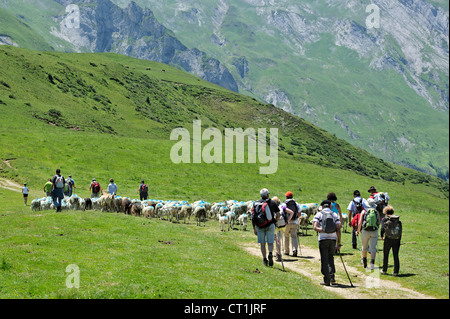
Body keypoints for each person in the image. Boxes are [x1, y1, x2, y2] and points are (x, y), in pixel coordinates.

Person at [313, 200, 341, 286]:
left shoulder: (319, 214)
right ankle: (332, 276)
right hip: (333, 239)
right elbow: (338, 228)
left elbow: (315, 227)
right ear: (330, 206)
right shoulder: (334, 214)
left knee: (324, 259)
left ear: (322, 206)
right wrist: (339, 242)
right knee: (330, 257)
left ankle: (326, 279)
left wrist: (323, 230)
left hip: (323, 239)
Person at [252, 188, 280, 267]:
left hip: (260, 226)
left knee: (262, 243)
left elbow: (253, 216)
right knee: (270, 242)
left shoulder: (256, 203)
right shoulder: (272, 202)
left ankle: (264, 258)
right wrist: (275, 222)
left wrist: (254, 228)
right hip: (270, 224)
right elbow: (278, 215)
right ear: (267, 195)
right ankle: (270, 253)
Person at [356, 198, 381, 270]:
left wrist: (358, 230)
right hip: (374, 231)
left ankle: (364, 262)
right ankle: (372, 264)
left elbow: (360, 222)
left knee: (364, 247)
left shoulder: (364, 211)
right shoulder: (376, 212)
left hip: (365, 231)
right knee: (373, 248)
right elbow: (379, 222)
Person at [380, 205, 402, 276]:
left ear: (385, 211)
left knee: (386, 255)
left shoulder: (385, 219)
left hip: (388, 239)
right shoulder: (397, 220)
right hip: (397, 239)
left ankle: (384, 270)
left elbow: (382, 229)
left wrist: (382, 236)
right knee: (396, 255)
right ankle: (396, 271)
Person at [272, 196, 294, 262]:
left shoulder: (273, 208)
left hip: (276, 225)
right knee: (280, 239)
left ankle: (278, 254)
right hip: (283, 225)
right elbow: (292, 212)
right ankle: (279, 253)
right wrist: (287, 221)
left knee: (277, 240)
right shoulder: (282, 207)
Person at [283, 191, 301, 257]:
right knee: (294, 236)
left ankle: (286, 251)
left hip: (287, 222)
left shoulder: (284, 203)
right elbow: (299, 214)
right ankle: (294, 250)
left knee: (286, 236)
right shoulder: (296, 204)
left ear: (286, 197)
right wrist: (296, 218)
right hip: (294, 222)